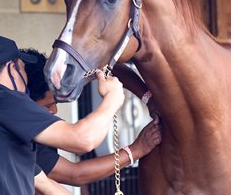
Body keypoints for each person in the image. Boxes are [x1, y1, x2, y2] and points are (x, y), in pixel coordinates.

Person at [0, 35, 125, 195]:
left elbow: (46, 186)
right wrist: (113, 97)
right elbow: (83, 140)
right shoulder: (2, 100)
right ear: (12, 68)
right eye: (22, 68)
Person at [22, 49, 161, 189]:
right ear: (26, 102)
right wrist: (136, 150)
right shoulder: (20, 136)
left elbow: (106, 65)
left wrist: (148, 99)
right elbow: (75, 173)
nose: (54, 111)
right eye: (48, 105)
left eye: (55, 103)